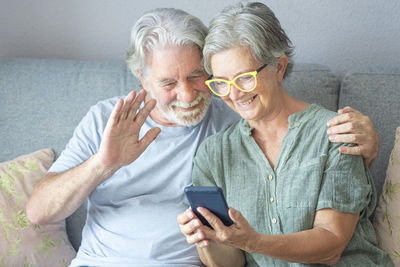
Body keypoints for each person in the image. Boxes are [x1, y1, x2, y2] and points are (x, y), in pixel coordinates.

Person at [25, 6, 378, 267]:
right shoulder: (107, 120)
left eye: (197, 76)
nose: (188, 94)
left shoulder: (233, 117)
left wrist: (367, 149)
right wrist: (103, 164)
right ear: (141, 79)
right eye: (167, 82)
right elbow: (39, 212)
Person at [177, 2, 393, 267]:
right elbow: (230, 263)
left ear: (278, 67)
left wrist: (251, 241)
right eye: (221, 82)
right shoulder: (214, 153)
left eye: (245, 77)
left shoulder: (337, 132)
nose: (233, 94)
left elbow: (331, 245)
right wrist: (206, 238)